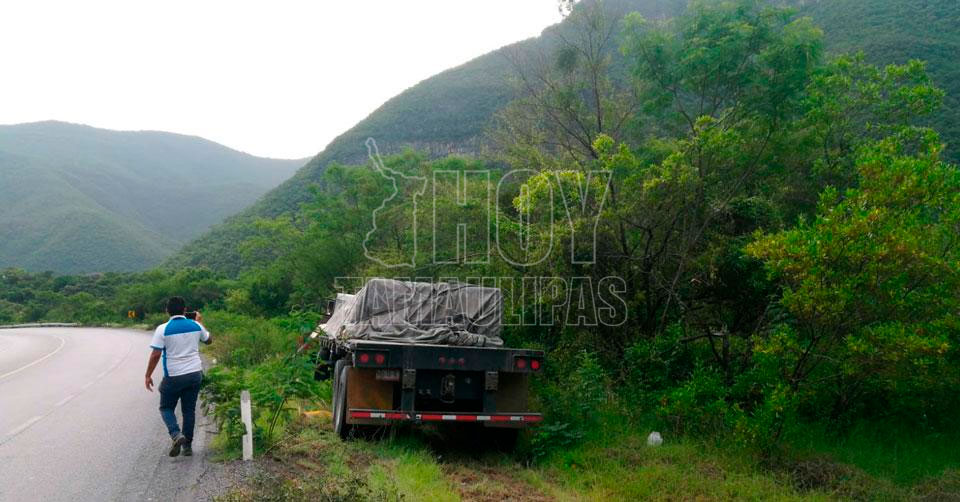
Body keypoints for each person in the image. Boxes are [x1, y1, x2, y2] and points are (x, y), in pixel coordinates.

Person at [144, 296, 212, 457]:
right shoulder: (195, 325)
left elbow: (155, 354)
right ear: (184, 310)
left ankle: (176, 434)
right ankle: (187, 447)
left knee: (166, 407)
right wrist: (200, 322)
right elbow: (209, 340)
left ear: (167, 311)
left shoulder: (162, 329)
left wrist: (148, 375)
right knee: (189, 410)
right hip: (195, 374)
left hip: (174, 376)